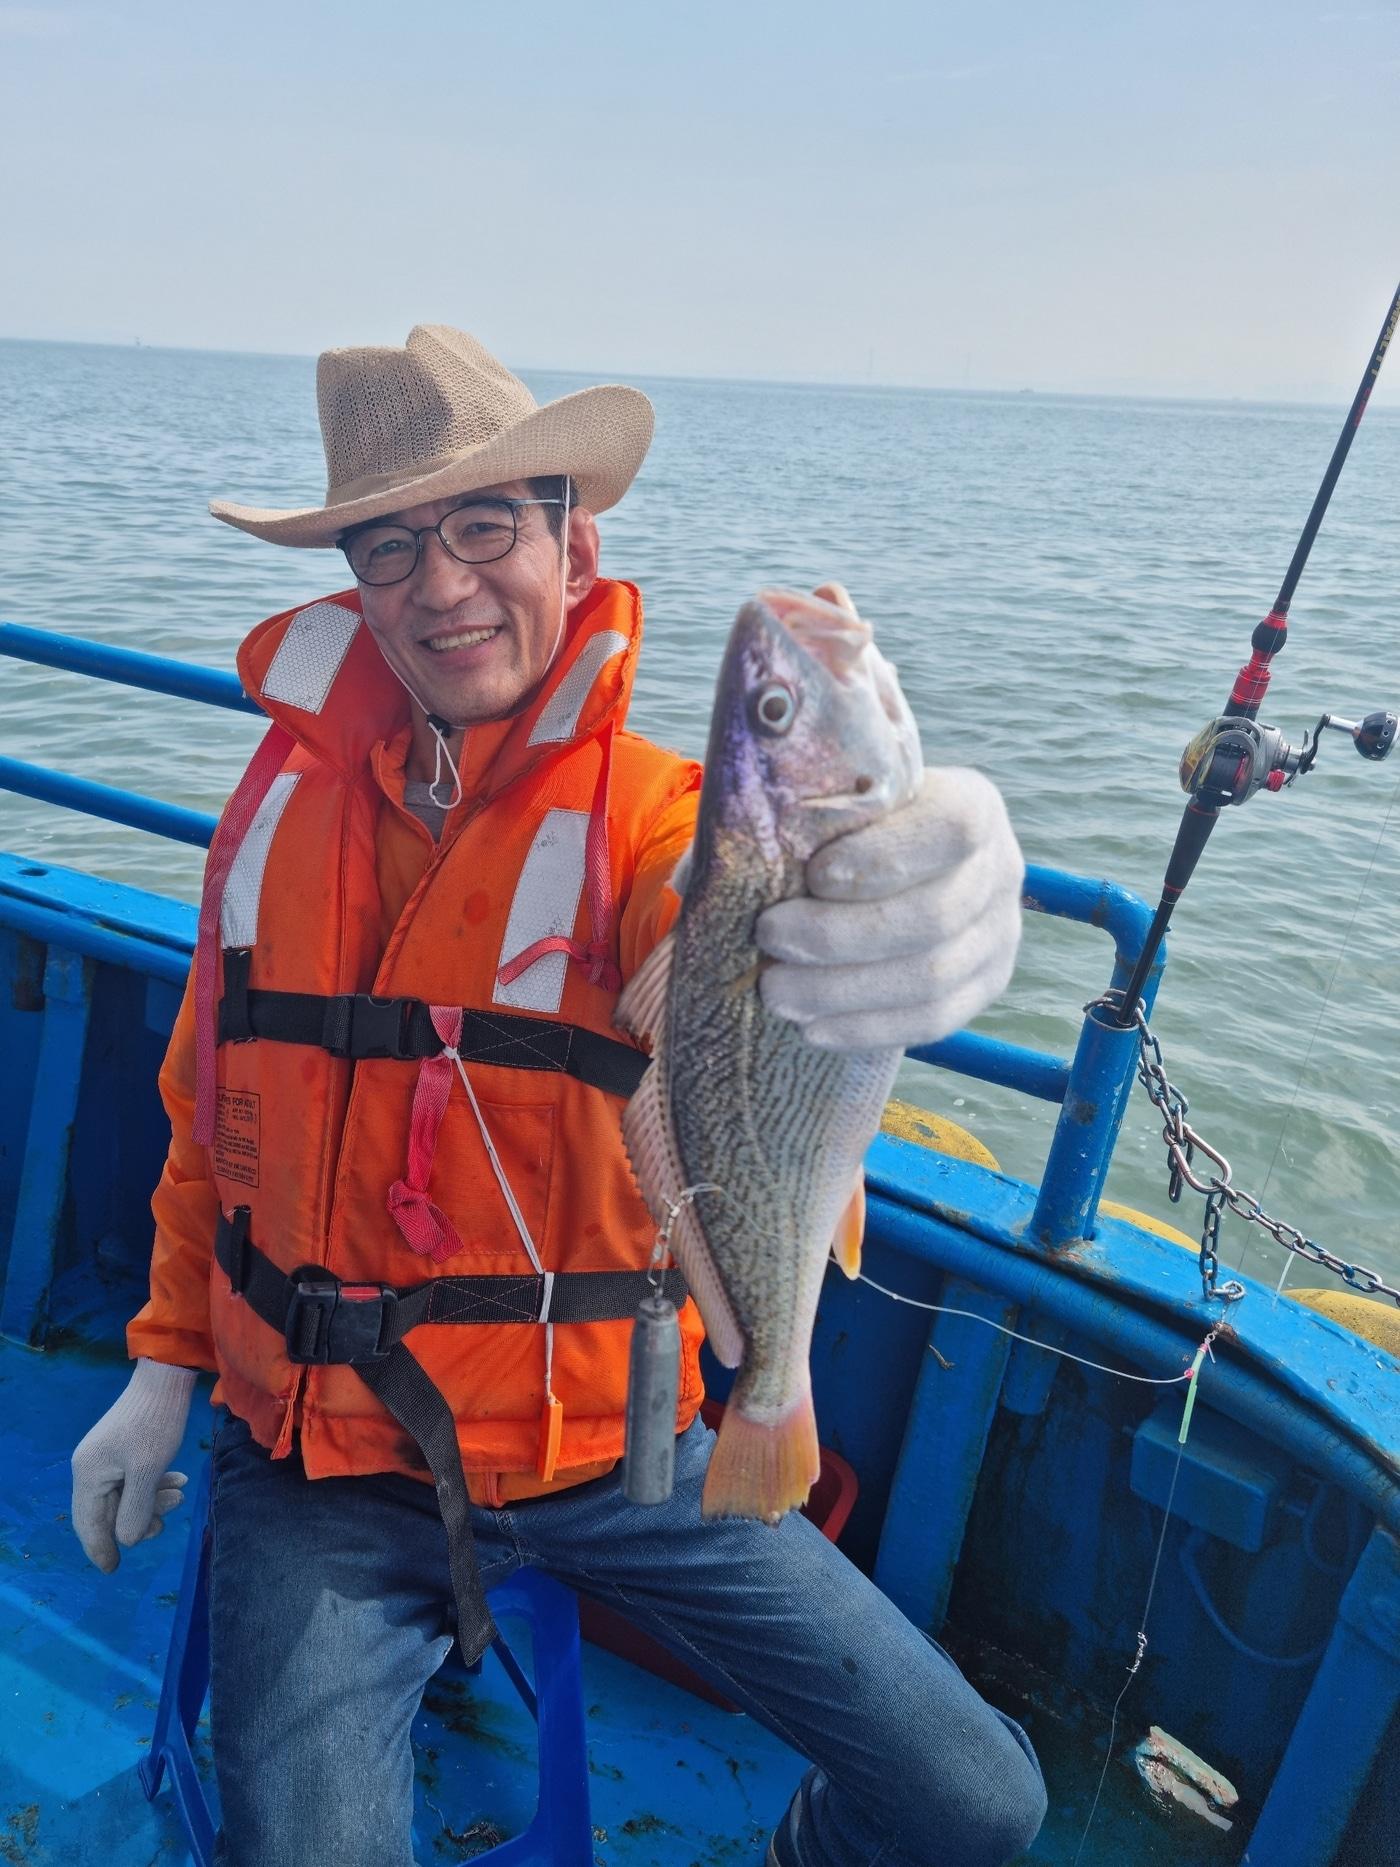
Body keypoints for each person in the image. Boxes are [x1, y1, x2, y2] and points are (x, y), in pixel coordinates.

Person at [69, 325, 1045, 1867]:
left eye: (483, 527)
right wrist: (163, 1363)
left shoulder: (669, 821)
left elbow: (762, 913)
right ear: (356, 580)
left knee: (978, 1799)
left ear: (571, 543)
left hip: (610, 1448)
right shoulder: (266, 812)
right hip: (323, 1459)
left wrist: (934, 872)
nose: (442, 583)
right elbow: (212, 1117)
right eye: (391, 547)